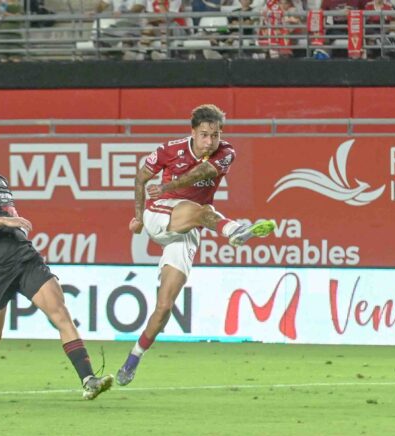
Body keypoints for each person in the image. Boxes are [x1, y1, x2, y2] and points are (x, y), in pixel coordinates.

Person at [0, 117, 113, 400]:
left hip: (25, 258)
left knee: (61, 313)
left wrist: (11, 224)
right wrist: (3, 220)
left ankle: (89, 380)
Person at [116, 104, 276, 386]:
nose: (210, 141)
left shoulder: (226, 153)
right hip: (161, 213)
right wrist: (139, 217)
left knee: (165, 307)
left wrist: (168, 184)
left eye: (215, 135)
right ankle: (234, 230)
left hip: (189, 226)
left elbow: (201, 172)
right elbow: (141, 178)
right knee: (204, 211)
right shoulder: (169, 150)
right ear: (192, 132)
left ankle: (133, 359)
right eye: (204, 135)